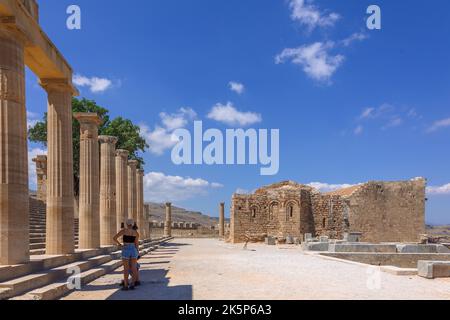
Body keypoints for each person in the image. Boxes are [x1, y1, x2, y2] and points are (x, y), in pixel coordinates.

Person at [113, 219, 140, 290]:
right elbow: (136, 244)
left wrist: (120, 245)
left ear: (127, 224)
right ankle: (133, 284)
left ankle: (125, 285)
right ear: (133, 224)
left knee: (126, 269)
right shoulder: (136, 233)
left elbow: (114, 238)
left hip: (126, 249)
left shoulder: (124, 231)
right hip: (133, 250)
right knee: (134, 268)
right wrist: (138, 252)